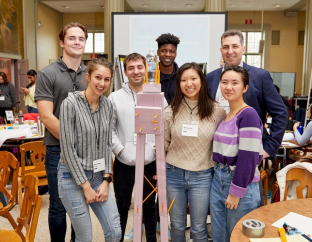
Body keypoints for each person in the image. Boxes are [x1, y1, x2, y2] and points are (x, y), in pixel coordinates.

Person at [35, 22, 88, 242]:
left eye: (81, 38)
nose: (77, 42)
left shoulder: (91, 74)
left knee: (81, 205)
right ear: (62, 42)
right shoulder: (47, 74)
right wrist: (72, 141)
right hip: (58, 150)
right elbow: (47, 117)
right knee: (58, 206)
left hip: (86, 152)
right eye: (71, 38)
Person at [58, 58, 121, 242]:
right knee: (84, 237)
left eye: (107, 79)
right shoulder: (70, 104)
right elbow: (68, 150)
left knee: (115, 232)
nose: (102, 84)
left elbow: (107, 144)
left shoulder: (108, 105)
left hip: (98, 177)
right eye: (98, 77)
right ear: (88, 76)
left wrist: (106, 180)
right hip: (72, 178)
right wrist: (85, 186)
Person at [164, 62, 225, 241]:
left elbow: (219, 145)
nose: (189, 83)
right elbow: (164, 143)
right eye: (184, 80)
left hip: (203, 176)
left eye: (193, 78)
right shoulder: (169, 112)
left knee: (199, 227)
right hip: (173, 174)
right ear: (178, 83)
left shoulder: (217, 111)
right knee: (176, 226)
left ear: (202, 81)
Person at [206, 29, 287, 162]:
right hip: (216, 152)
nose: (230, 51)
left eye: (235, 46)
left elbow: (281, 112)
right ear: (221, 50)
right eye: (226, 47)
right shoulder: (210, 78)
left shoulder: (260, 76)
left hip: (249, 151)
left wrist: (269, 148)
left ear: (243, 49)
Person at [108, 53, 158, 242]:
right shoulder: (115, 97)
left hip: (149, 162)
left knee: (149, 207)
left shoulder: (156, 93)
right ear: (125, 71)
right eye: (131, 68)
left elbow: (165, 126)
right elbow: (109, 130)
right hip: (124, 163)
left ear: (145, 68)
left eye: (139, 67)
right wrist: (120, 150)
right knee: (121, 205)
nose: (136, 71)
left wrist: (156, 151)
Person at [210, 65, 263, 242]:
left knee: (236, 237)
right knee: (219, 236)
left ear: (245, 88)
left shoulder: (248, 115)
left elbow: (249, 158)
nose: (229, 87)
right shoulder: (226, 114)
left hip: (240, 184)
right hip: (219, 179)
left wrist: (236, 191)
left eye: (235, 83)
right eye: (224, 82)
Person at [156, 33, 180, 104]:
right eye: (163, 51)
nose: (168, 54)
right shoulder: (150, 76)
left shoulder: (182, 76)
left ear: (176, 53)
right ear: (158, 52)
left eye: (172, 51)